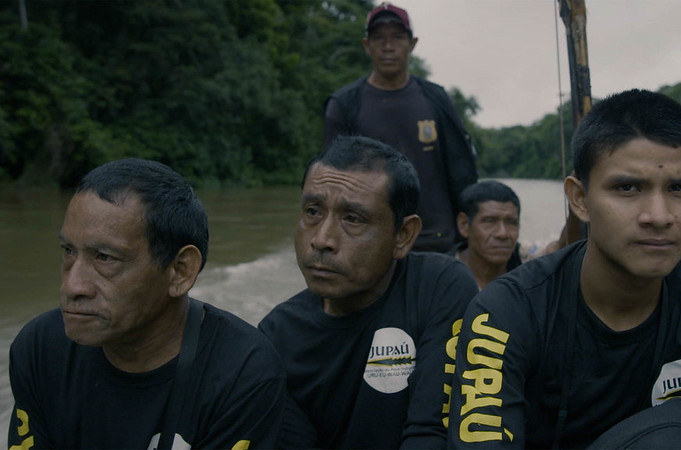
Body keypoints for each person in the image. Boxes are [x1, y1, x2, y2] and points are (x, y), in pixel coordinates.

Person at [447, 89, 681, 448]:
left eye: (679, 188)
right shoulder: (505, 313)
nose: (659, 217)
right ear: (579, 199)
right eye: (628, 187)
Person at [7, 158, 287, 449]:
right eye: (68, 251)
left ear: (180, 270)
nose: (72, 286)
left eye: (105, 257)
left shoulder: (243, 375)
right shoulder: (42, 349)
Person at [259, 135, 479, 448]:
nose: (322, 239)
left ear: (403, 235)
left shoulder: (439, 287)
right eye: (312, 211)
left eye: (352, 218)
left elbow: (431, 433)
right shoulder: (276, 337)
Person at [323, 2, 478, 253]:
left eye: (397, 37)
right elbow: (332, 184)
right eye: (379, 38)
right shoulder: (345, 104)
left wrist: (468, 236)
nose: (388, 47)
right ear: (367, 45)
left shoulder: (436, 98)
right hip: (371, 245)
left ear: (412, 44)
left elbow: (462, 172)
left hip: (438, 241)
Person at [449, 180, 557, 289]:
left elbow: (559, 249)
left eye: (511, 223)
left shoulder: (524, 260)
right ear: (464, 225)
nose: (503, 233)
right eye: (490, 221)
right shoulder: (441, 276)